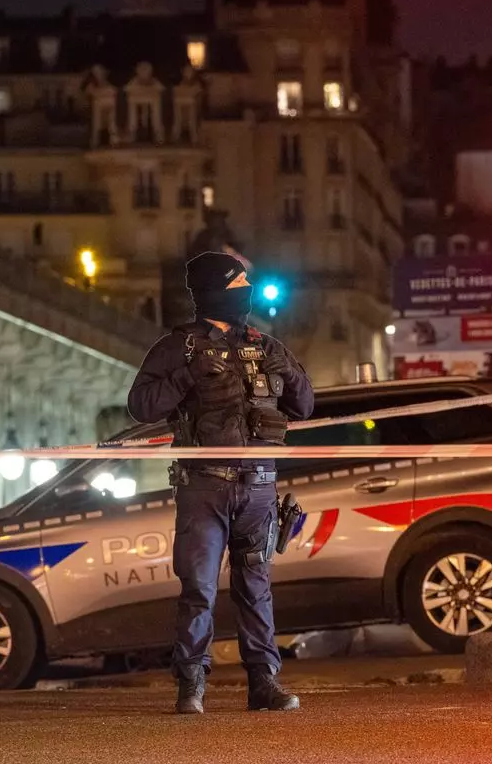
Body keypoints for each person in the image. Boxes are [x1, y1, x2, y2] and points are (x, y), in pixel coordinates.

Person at [127, 247, 314, 714]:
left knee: (256, 587)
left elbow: (305, 405)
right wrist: (188, 376)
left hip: (259, 487)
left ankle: (264, 683)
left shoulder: (267, 345)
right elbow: (142, 405)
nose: (245, 294)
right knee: (199, 588)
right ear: (211, 292)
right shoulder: (180, 346)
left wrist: (288, 372)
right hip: (205, 485)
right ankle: (191, 685)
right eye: (236, 286)